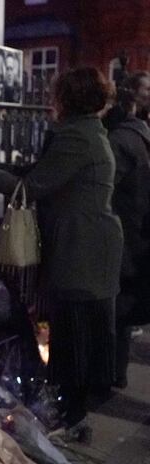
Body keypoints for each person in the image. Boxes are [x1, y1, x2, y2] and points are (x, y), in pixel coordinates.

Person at [0, 67, 123, 441]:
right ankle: (71, 415)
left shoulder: (77, 138)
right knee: (72, 334)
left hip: (81, 252)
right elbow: (38, 172)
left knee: (71, 338)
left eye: (55, 95)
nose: (50, 101)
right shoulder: (83, 133)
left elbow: (31, 187)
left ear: (68, 99)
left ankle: (71, 420)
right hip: (85, 248)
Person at [104, 72, 150, 388]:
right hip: (138, 235)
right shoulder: (142, 136)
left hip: (124, 235)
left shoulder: (121, 141)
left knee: (115, 311)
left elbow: (107, 188)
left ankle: (110, 374)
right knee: (122, 308)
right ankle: (115, 372)